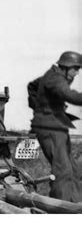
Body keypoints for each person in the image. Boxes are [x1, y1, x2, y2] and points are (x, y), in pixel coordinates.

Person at [27, 51, 82, 202]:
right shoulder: (55, 78)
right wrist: (43, 112)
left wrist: (41, 106)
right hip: (49, 129)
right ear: (66, 66)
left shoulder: (52, 76)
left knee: (74, 170)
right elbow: (68, 94)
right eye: (75, 68)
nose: (77, 73)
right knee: (63, 171)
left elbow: (32, 86)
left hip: (57, 127)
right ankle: (61, 208)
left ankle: (76, 206)